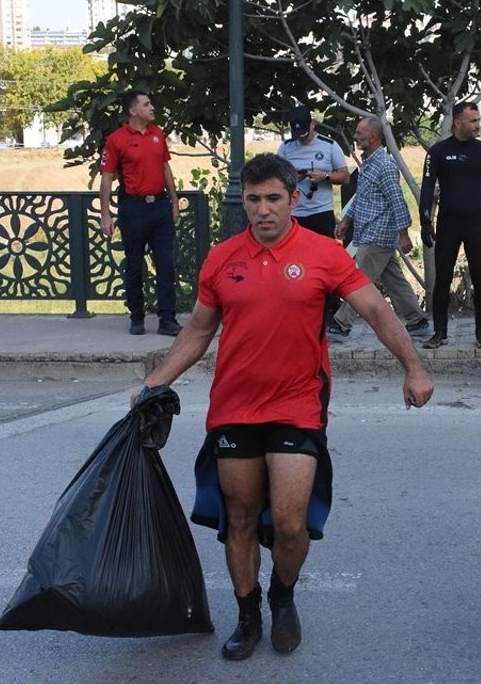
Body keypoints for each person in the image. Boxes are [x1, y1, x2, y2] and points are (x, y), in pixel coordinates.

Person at [138, 153, 434, 661]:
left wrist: (414, 367)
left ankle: (283, 596)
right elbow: (198, 331)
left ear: (294, 200)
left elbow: (376, 311)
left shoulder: (323, 254)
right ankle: (248, 612)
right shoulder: (222, 258)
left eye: (273, 198)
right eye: (253, 200)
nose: (263, 210)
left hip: (298, 403)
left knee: (292, 524)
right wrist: (156, 379)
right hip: (234, 405)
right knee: (240, 517)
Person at [329, 115, 432, 342]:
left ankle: (340, 325)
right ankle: (418, 322)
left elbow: (397, 200)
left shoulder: (385, 166)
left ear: (373, 137)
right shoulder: (369, 163)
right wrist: (346, 220)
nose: (356, 137)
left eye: (359, 133)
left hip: (378, 233)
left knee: (358, 281)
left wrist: (403, 233)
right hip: (368, 231)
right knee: (394, 280)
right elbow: (362, 197)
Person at [418, 101, 481, 350]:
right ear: (458, 122)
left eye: (478, 121)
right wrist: (425, 221)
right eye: (473, 121)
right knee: (442, 280)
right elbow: (426, 188)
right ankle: (440, 332)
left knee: (480, 279)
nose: (478, 125)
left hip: (475, 226)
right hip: (447, 225)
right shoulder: (438, 152)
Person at [98, 89, 181, 336]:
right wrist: (105, 214)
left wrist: (174, 202)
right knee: (134, 265)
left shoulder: (158, 134)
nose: (152, 107)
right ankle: (137, 317)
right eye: (146, 104)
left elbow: (165, 168)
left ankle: (167, 319)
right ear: (133, 111)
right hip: (133, 208)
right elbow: (106, 178)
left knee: (166, 264)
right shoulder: (116, 139)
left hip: (160, 207)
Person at [276, 105, 350, 238]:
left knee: (323, 256)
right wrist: (292, 177)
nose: (301, 138)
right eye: (297, 135)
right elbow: (275, 178)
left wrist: (325, 176)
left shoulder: (329, 145)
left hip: (321, 212)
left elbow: (345, 176)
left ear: (313, 125)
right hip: (294, 213)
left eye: (304, 133)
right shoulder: (286, 147)